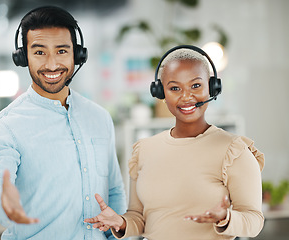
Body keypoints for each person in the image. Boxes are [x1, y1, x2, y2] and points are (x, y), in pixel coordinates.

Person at [0, 6, 126, 240]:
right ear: (23, 56)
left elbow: (114, 191)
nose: (52, 64)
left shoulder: (99, 117)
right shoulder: (4, 128)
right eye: (39, 52)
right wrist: (1, 201)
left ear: (77, 54)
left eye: (62, 51)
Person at [84, 45, 265, 239]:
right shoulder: (144, 150)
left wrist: (226, 218)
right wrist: (122, 222)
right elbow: (140, 217)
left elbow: (254, 221)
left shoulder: (233, 150)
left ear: (212, 87)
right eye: (175, 88)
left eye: (196, 85)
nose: (186, 96)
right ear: (161, 92)